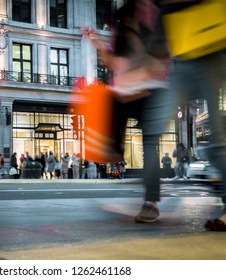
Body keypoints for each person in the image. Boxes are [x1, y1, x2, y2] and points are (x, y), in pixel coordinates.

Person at [160, 0, 226, 230]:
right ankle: (149, 197)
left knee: (218, 136)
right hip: (181, 49)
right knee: (156, 122)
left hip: (207, 43)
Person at [86, 0, 173, 223]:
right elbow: (113, 62)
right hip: (126, 92)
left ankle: (150, 202)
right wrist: (99, 44)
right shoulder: (121, 28)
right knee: (110, 107)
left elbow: (157, 60)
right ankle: (115, 150)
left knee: (150, 146)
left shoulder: (152, 16)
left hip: (150, 91)